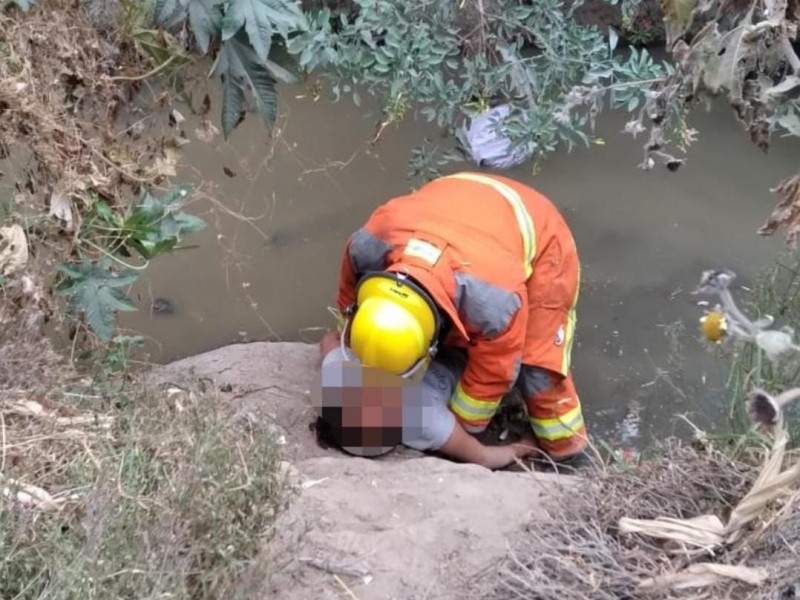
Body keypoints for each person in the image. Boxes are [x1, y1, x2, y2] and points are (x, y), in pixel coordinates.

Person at [316, 171, 589, 469]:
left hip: (537, 232)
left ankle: (566, 452)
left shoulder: (495, 302)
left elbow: (496, 369)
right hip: (456, 199)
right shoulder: (368, 246)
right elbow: (335, 330)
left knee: (538, 367)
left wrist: (464, 426)